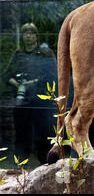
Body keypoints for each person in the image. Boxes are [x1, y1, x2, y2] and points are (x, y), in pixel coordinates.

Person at [4, 23, 57, 164]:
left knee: (43, 133)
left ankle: (46, 164)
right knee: (22, 134)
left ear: (36, 36)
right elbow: (7, 75)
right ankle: (20, 165)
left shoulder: (46, 53)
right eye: (25, 33)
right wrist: (18, 84)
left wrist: (35, 82)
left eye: (32, 33)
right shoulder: (18, 54)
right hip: (23, 101)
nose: (28, 36)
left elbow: (54, 75)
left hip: (41, 102)